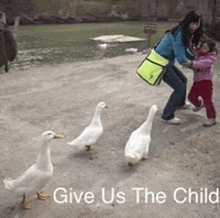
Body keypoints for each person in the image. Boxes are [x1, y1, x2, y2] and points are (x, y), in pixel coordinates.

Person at [155, 11, 203, 124]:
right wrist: (196, 67)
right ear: (187, 22)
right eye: (193, 23)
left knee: (183, 80)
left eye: (197, 24)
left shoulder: (185, 32)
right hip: (160, 62)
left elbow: (184, 52)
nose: (194, 27)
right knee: (179, 87)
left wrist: (196, 60)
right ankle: (167, 115)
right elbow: (181, 59)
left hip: (167, 62)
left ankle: (180, 103)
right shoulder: (180, 33)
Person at [187, 39, 217, 127]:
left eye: (205, 48)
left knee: (207, 100)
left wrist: (192, 63)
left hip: (205, 82)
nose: (202, 49)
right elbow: (192, 50)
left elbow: (202, 63)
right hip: (197, 81)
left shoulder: (211, 57)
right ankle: (199, 104)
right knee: (191, 96)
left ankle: (212, 118)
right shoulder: (198, 53)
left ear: (210, 49)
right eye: (201, 47)